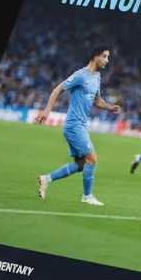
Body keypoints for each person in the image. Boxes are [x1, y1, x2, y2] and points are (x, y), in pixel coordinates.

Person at [34, 45, 121, 206]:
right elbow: (57, 90)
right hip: (73, 125)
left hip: (80, 125)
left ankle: (47, 179)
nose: (107, 60)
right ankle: (87, 196)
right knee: (92, 159)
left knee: (81, 164)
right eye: (104, 56)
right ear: (95, 56)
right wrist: (47, 111)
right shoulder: (80, 75)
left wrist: (110, 107)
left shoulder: (97, 77)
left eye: (108, 57)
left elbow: (97, 100)